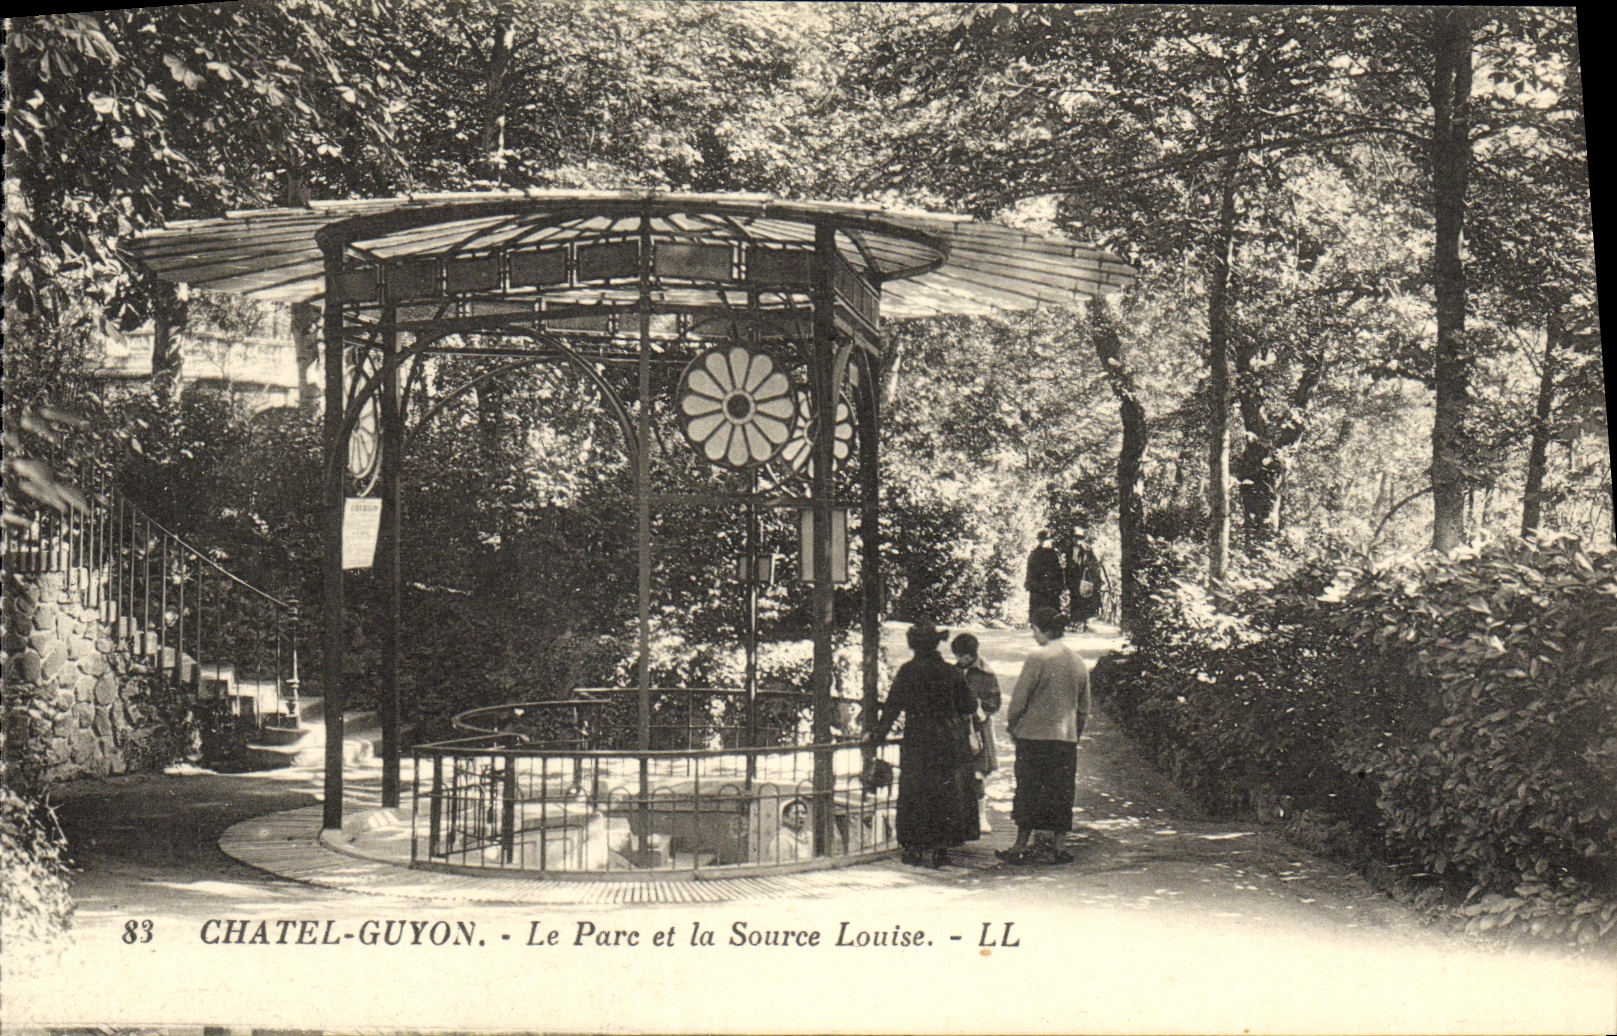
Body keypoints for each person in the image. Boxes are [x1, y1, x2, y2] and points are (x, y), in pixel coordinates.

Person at [868, 619, 980, 868]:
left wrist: (878, 735)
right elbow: (970, 705)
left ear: (913, 645)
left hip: (919, 739)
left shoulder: (908, 671)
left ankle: (914, 848)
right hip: (949, 740)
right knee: (945, 792)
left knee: (915, 791)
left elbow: (892, 708)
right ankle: (941, 849)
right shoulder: (951, 672)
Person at [998, 607, 1091, 866]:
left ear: (1045, 631)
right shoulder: (1077, 662)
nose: (1033, 634)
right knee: (1061, 792)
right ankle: (1059, 847)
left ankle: (1019, 845)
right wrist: (1075, 733)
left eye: (1035, 629)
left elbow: (1018, 701)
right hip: (1065, 740)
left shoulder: (1037, 659)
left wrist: (1013, 725)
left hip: (1033, 738)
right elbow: (1084, 708)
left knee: (1028, 790)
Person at [951, 632, 1001, 833]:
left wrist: (980, 709)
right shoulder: (953, 671)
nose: (960, 660)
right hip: (956, 729)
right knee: (957, 774)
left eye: (964, 656)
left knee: (978, 774)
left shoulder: (986, 674)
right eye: (958, 656)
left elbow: (994, 703)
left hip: (978, 730)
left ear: (973, 654)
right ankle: (960, 818)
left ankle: (981, 816)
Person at [1064, 526, 1108, 631]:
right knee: (1073, 599)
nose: (1077, 540)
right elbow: (1068, 565)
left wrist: (1094, 576)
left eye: (1079, 538)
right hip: (1073, 579)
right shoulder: (1069, 549)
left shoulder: (1087, 550)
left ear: (1082, 538)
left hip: (1084, 580)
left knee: (1083, 601)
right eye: (1075, 537)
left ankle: (1083, 623)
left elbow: (1094, 565)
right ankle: (1074, 622)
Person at [1024, 529, 1065, 621]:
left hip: (1051, 588)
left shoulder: (1053, 554)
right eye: (1041, 540)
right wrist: (1031, 584)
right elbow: (1030, 571)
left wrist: (1059, 585)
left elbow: (1058, 571)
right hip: (1038, 588)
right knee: (1037, 612)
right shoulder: (1034, 554)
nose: (1043, 542)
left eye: (1045, 540)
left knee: (1052, 612)